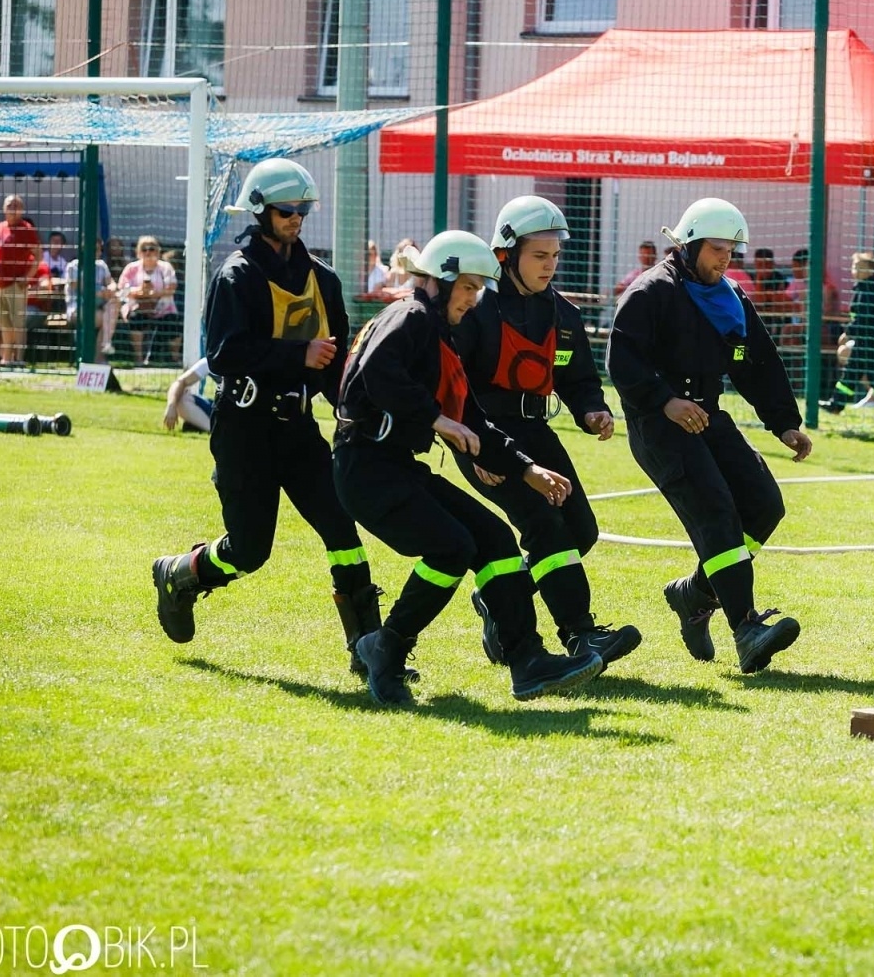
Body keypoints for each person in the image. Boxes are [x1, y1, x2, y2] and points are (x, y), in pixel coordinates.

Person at [335, 230, 601, 705]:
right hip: (366, 470)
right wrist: (434, 418)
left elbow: (471, 418)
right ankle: (386, 646)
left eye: (480, 289)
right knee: (452, 548)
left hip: (396, 466)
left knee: (496, 541)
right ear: (441, 280)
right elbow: (378, 374)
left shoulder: (437, 332)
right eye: (469, 288)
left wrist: (525, 470)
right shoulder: (410, 316)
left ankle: (528, 662)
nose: (475, 300)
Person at [150, 159, 388, 681]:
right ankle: (178, 574)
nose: (296, 218)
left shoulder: (323, 278)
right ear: (260, 211)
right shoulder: (236, 275)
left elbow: (336, 361)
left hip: (300, 431)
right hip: (244, 431)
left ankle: (371, 650)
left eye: (303, 209)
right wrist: (296, 356)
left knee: (341, 528)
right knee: (249, 552)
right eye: (286, 210)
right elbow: (224, 354)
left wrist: (355, 410)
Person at [607, 197, 809, 673]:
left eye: (731, 252)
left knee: (764, 505)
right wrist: (665, 401)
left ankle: (695, 593)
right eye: (718, 249)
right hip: (659, 423)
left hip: (709, 415)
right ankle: (746, 628)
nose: (725, 260)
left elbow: (758, 363)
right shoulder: (650, 292)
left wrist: (785, 422)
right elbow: (623, 362)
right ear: (690, 244)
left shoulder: (732, 296)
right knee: (716, 512)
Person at [451, 196, 642, 670]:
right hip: (485, 435)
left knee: (581, 529)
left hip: (536, 430)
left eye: (555, 256)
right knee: (543, 524)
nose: (550, 266)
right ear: (505, 254)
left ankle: (499, 599)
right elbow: (451, 384)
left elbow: (577, 380)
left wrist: (593, 411)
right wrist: (473, 447)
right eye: (540, 255)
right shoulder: (477, 310)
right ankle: (581, 635)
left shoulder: (563, 314)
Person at [823, 251, 874, 412]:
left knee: (872, 376)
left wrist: (848, 333)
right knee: (856, 374)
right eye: (854, 267)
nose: (855, 270)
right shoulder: (871, 289)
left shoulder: (865, 291)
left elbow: (862, 317)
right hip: (870, 340)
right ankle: (836, 404)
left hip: (866, 340)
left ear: (870, 271)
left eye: (858, 267)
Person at [0, 194, 40, 367]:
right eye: (9, 205)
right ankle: (7, 357)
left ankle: (19, 359)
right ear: (4, 209)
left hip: (16, 284)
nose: (12, 208)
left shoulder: (26, 229)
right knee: (4, 322)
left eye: (16, 205)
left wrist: (27, 277)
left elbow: (38, 255)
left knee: (17, 322)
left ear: (22, 210)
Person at [119, 236, 179, 365]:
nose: (148, 252)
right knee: (136, 319)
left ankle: (175, 360)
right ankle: (139, 359)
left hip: (163, 308)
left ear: (157, 251)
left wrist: (153, 294)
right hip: (137, 307)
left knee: (173, 322)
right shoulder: (131, 268)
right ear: (138, 252)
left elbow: (172, 288)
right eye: (144, 249)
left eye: (151, 248)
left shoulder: (166, 267)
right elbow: (122, 290)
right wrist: (140, 291)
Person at [64, 238, 119, 358]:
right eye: (94, 250)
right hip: (78, 308)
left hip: (99, 305)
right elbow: (78, 285)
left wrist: (111, 288)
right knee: (104, 318)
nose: (98, 253)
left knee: (114, 303)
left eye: (99, 250)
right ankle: (100, 356)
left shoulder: (102, 265)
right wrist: (100, 293)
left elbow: (111, 282)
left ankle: (104, 345)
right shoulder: (73, 266)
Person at [163, 357, 213, 433]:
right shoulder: (209, 362)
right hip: (217, 408)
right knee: (180, 398)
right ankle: (213, 430)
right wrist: (171, 406)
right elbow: (180, 382)